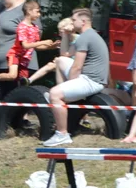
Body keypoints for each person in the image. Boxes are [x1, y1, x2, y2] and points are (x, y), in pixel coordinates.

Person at [43, 8, 110, 147]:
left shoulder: (85, 37)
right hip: (91, 77)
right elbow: (64, 54)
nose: (71, 23)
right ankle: (64, 97)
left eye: (74, 20)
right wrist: (66, 35)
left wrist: (68, 87)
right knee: (60, 61)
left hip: (92, 80)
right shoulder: (88, 35)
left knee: (54, 94)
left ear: (83, 21)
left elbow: (77, 67)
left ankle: (62, 134)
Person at [0, 0, 54, 86]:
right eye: (37, 12)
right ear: (29, 11)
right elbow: (26, 45)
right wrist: (44, 42)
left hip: (25, 59)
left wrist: (52, 47)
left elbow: (36, 47)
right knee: (12, 76)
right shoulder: (22, 27)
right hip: (15, 55)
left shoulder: (35, 28)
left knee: (23, 81)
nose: (39, 14)